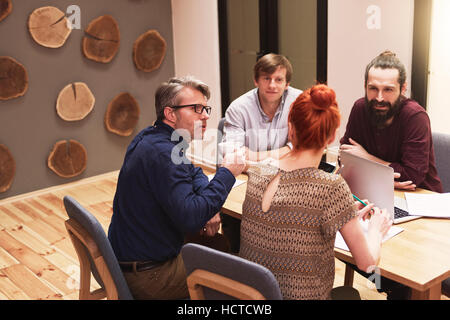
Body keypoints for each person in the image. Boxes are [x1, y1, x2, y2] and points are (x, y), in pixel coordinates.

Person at [239, 84, 392, 300]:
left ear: (290, 129)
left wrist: (345, 213)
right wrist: (376, 229)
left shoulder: (259, 172)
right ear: (332, 138)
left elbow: (295, 218)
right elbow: (367, 264)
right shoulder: (330, 188)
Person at [107, 76, 245, 300]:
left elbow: (194, 172)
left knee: (219, 244)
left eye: (205, 108)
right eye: (196, 109)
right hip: (150, 274)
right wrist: (228, 172)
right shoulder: (164, 155)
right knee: (240, 277)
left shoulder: (152, 137)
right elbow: (191, 218)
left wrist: (207, 206)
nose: (206, 115)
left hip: (129, 255)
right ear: (171, 114)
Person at [221, 53, 303, 253]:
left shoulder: (300, 102)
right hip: (246, 183)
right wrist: (285, 151)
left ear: (287, 83)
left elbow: (302, 149)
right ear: (256, 80)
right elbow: (233, 157)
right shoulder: (238, 108)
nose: (272, 85)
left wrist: (255, 156)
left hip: (285, 184)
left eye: (279, 79)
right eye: (267, 78)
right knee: (238, 237)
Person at [340, 50, 442, 193]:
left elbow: (412, 177)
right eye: (373, 88)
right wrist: (388, 180)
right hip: (376, 190)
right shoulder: (360, 108)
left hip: (419, 197)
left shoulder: (415, 116)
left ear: (403, 89)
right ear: (365, 86)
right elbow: (345, 159)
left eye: (388, 89)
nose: (379, 98)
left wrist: (367, 158)